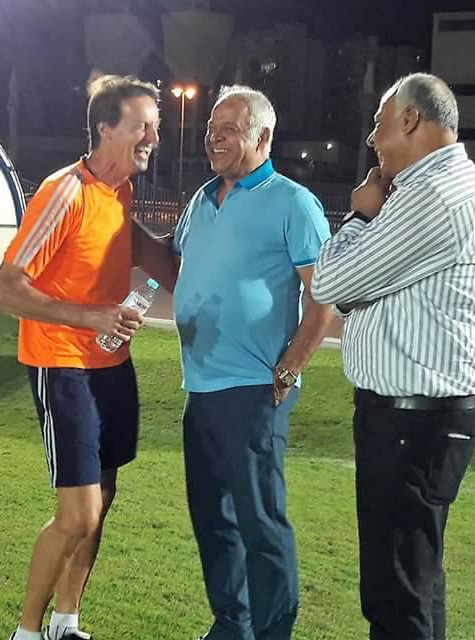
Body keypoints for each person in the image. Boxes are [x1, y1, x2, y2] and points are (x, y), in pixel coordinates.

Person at [310, 73, 475, 640]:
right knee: (417, 581)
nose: (372, 139)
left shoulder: (431, 195)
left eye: (379, 124)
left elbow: (329, 283)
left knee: (396, 593)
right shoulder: (455, 187)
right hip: (427, 415)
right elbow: (349, 293)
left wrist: (360, 215)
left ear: (409, 120)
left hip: (411, 420)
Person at [136, 85, 334, 640]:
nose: (213, 138)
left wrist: (291, 365)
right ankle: (232, 624)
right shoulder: (202, 200)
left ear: (263, 137)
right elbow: (176, 269)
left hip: (254, 388)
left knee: (260, 522)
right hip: (200, 385)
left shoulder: (293, 204)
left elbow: (325, 296)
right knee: (212, 517)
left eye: (228, 129)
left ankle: (272, 633)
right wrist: (124, 228)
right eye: (210, 128)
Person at [0, 75, 160, 640]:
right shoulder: (65, 190)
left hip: (112, 364)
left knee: (103, 497)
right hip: (62, 363)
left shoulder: (121, 192)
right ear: (105, 129)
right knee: (78, 513)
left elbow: (133, 249)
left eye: (155, 127)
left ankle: (67, 622)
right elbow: (4, 290)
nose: (153, 137)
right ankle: (26, 632)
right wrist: (91, 317)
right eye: (142, 126)